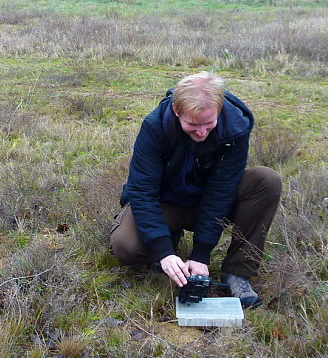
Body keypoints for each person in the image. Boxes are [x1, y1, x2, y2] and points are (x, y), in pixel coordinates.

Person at [109, 72, 281, 308]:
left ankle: (237, 273)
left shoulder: (235, 128)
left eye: (209, 125)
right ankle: (170, 240)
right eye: (192, 125)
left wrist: (201, 254)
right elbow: (142, 190)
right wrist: (163, 251)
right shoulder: (155, 126)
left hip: (208, 201)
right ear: (177, 111)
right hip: (167, 201)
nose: (201, 133)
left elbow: (221, 190)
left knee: (266, 180)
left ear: (219, 111)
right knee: (126, 247)